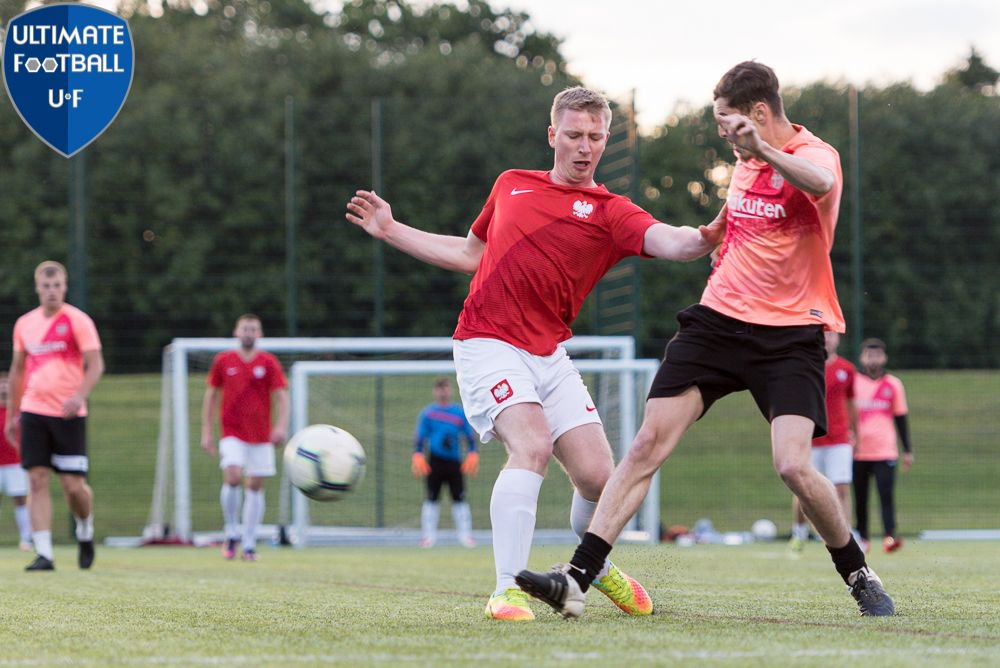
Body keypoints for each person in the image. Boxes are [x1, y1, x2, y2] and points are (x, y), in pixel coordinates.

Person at [516, 62, 896, 618]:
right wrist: (714, 238)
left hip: (789, 334)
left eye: (730, 125)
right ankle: (577, 576)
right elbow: (735, 224)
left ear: (760, 115)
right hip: (717, 324)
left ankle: (858, 572)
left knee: (792, 466)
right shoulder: (742, 161)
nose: (725, 137)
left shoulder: (814, 154)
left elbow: (823, 185)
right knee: (647, 444)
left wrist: (763, 151)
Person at [347, 85, 723, 621]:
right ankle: (506, 589)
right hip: (485, 341)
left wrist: (708, 233)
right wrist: (390, 229)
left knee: (599, 478)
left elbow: (674, 241)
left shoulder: (611, 212)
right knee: (532, 445)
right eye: (573, 135)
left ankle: (592, 567)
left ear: (605, 141)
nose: (584, 146)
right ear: (553, 135)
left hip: (548, 354)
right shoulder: (511, 185)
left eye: (595, 137)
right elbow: (469, 253)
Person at [5, 260, 104, 571]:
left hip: (68, 412)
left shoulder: (78, 320)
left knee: (74, 486)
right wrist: (12, 414)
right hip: (34, 410)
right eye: (46, 286)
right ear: (37, 287)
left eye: (57, 285)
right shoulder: (24, 324)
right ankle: (44, 553)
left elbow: (96, 365)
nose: (51, 291)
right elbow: (18, 369)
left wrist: (79, 396)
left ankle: (85, 530)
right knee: (36, 479)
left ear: (65, 287)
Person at [201, 314, 289, 562]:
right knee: (233, 475)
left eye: (253, 329)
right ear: (236, 332)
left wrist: (280, 426)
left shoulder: (269, 362)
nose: (249, 333)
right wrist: (207, 432)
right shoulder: (223, 361)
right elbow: (211, 396)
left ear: (260, 334)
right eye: (245, 329)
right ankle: (231, 531)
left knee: (255, 485)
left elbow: (282, 396)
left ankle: (249, 543)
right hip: (232, 432)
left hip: (261, 435)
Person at [789, 331, 858, 552]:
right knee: (803, 488)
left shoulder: (847, 369)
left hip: (839, 438)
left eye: (831, 334)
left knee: (842, 487)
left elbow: (851, 403)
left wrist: (855, 432)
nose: (827, 338)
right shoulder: (805, 366)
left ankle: (845, 535)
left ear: (838, 338)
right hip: (811, 438)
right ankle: (799, 532)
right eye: (823, 334)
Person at [853, 337, 913, 554]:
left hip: (885, 450)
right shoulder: (853, 382)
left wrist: (908, 450)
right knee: (860, 497)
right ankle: (863, 537)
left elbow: (901, 418)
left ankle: (889, 536)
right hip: (857, 450)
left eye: (877, 354)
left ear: (884, 357)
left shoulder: (893, 384)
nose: (873, 359)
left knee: (886, 495)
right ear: (861, 357)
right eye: (869, 354)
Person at [411, 376, 480, 549]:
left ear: (451, 390)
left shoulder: (458, 412)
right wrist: (417, 454)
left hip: (454, 462)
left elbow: (469, 435)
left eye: (446, 388)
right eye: (440, 388)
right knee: (431, 499)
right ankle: (428, 537)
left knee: (460, 499)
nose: (443, 392)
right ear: (435, 391)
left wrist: (473, 453)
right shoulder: (428, 413)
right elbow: (420, 436)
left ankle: (465, 536)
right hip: (434, 462)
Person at [0, 372, 33, 551]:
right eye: (1, 384)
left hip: (15, 463)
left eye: (6, 384)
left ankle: (26, 539)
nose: (4, 387)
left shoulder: (18, 411)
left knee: (20, 499)